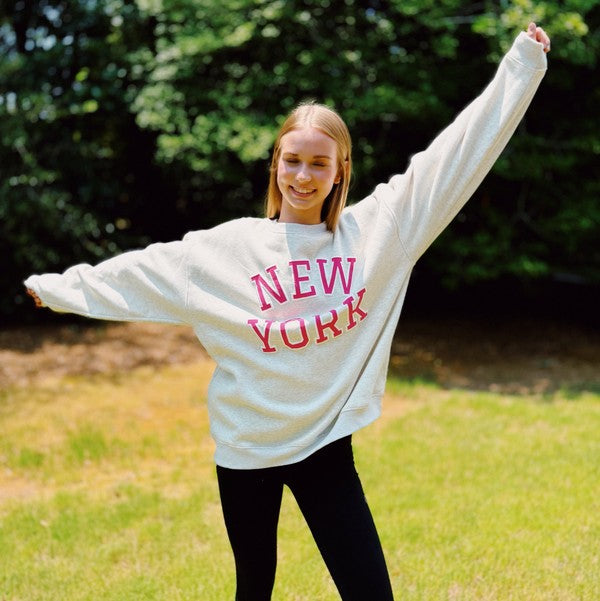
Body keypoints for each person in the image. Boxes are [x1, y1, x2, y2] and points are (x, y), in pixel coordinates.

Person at [25, 22, 550, 601]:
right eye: (292, 160)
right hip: (247, 443)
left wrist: (521, 65)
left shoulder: (382, 231)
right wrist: (54, 288)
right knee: (254, 586)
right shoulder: (225, 250)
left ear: (339, 172)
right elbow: (140, 272)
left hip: (325, 444)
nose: (303, 176)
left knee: (370, 591)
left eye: (319, 164)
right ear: (276, 163)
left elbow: (454, 157)